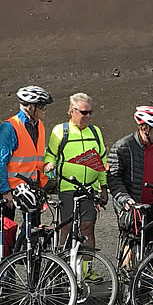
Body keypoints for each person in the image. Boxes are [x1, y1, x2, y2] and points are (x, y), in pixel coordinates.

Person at [105, 106, 153, 260]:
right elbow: (113, 179)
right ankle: (128, 274)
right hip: (132, 206)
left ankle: (144, 272)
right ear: (145, 128)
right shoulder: (123, 146)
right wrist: (125, 199)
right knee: (132, 245)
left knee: (149, 245)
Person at [45, 92, 108, 245]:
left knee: (88, 227)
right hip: (68, 187)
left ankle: (88, 261)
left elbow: (101, 161)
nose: (88, 116)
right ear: (72, 112)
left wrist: (104, 187)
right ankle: (61, 259)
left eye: (90, 112)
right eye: (84, 112)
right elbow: (50, 155)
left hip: (89, 189)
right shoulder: (60, 130)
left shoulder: (95, 131)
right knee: (66, 227)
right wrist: (49, 164)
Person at [0, 86, 53, 199]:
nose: (45, 110)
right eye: (42, 107)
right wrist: (5, 192)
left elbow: (34, 157)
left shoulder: (40, 126)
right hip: (14, 190)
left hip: (34, 187)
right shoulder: (9, 127)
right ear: (30, 107)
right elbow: (1, 162)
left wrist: (45, 165)